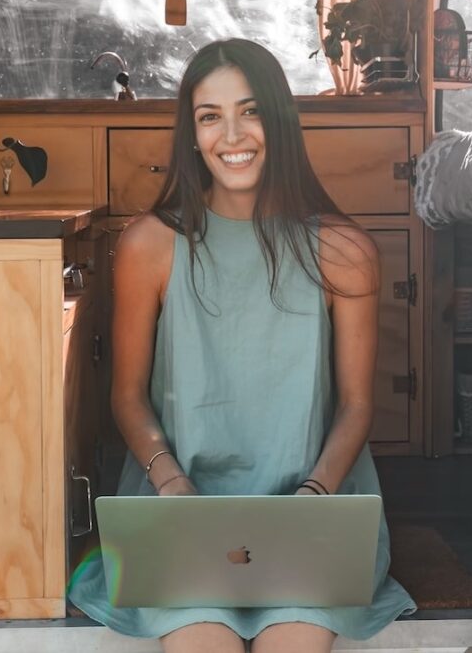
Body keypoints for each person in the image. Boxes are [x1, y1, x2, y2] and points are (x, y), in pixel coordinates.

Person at [68, 38, 415, 652]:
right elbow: (127, 396)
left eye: (250, 110)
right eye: (210, 116)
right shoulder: (150, 245)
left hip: (316, 503)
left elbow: (357, 405)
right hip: (181, 505)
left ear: (277, 119)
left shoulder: (346, 251)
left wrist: (314, 496)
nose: (232, 134)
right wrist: (170, 483)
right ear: (193, 135)